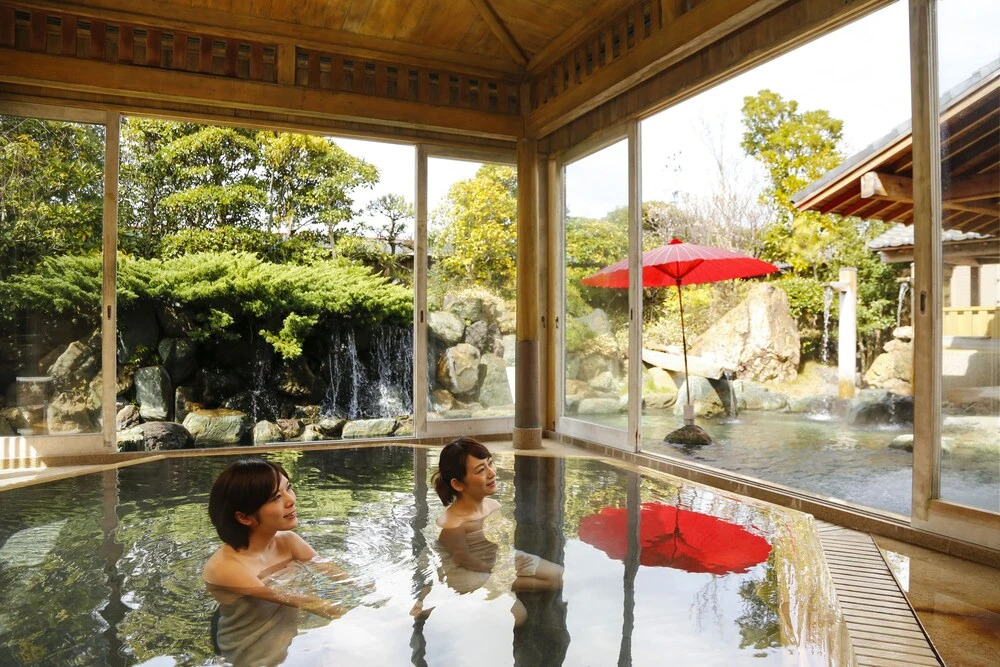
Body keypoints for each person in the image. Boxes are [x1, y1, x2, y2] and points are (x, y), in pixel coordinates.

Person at [415, 437, 563, 624]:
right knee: (519, 615)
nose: (492, 473)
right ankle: (432, 608)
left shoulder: (493, 506)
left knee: (557, 575)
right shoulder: (452, 524)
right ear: (458, 484)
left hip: (494, 561)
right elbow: (464, 559)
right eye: (481, 470)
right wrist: (506, 570)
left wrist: (509, 561)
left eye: (490, 463)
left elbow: (499, 542)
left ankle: (507, 591)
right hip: (468, 573)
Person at [203, 458, 350, 631]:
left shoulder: (288, 541)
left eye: (288, 488)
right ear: (244, 517)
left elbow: (333, 572)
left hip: (290, 630)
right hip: (250, 641)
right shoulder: (226, 567)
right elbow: (300, 601)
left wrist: (369, 590)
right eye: (277, 497)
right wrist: (358, 618)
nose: (291, 500)